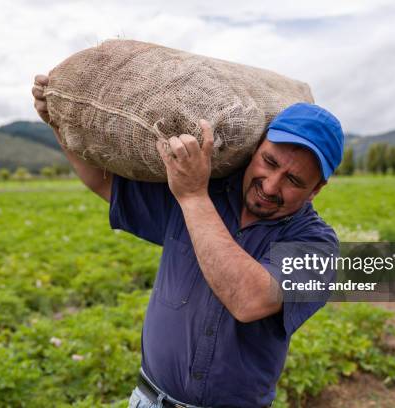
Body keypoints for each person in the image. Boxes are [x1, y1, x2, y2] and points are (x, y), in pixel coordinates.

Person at [32, 74, 345, 408]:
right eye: (268, 162)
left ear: (316, 189)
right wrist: (58, 120)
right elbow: (102, 181)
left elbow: (250, 300)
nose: (270, 186)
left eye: (294, 180)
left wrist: (194, 198)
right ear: (256, 149)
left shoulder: (319, 246)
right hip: (149, 400)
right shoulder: (204, 188)